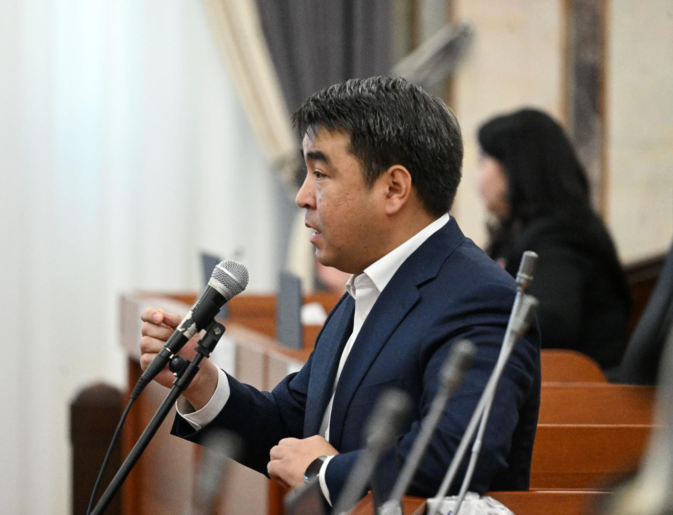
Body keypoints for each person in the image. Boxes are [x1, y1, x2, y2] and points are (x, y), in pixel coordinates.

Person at [140, 77, 540, 506]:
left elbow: (456, 456)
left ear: (393, 189)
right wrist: (202, 382)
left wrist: (323, 471)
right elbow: (293, 424)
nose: (302, 196)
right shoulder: (366, 285)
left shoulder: (482, 299)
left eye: (320, 174)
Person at [475, 108, 630, 370]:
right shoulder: (522, 233)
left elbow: (551, 323)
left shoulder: (559, 237)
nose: (476, 176)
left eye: (482, 160)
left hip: (582, 388)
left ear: (514, 168)